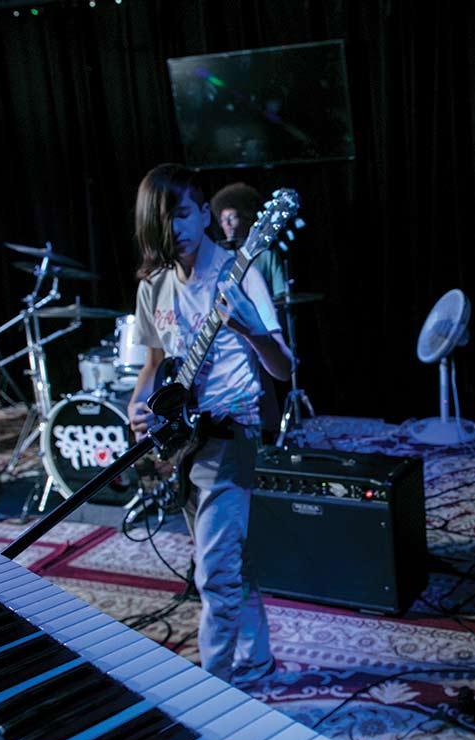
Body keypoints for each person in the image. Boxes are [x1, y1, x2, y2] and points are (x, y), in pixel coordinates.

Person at [127, 164, 292, 685]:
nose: (175, 228)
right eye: (163, 219)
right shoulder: (153, 289)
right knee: (229, 562)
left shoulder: (237, 272)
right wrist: (138, 407)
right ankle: (259, 658)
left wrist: (248, 329)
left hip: (231, 430)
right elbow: (153, 368)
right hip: (185, 442)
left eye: (183, 214)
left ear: (203, 214)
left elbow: (285, 366)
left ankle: (213, 689)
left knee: (213, 572)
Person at [210, 181, 292, 440]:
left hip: (259, 329)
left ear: (246, 219)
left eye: (232, 218)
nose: (228, 225)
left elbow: (280, 297)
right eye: (223, 220)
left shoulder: (265, 256)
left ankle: (269, 435)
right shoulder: (216, 260)